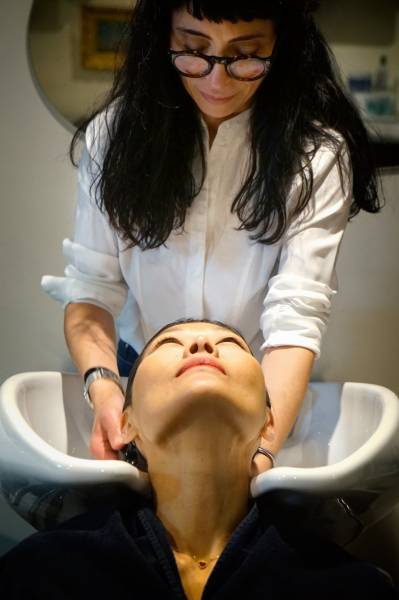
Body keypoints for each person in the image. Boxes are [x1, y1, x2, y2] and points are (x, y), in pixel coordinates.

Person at [41, 0, 380, 466]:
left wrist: (259, 455)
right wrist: (104, 389)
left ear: (281, 46)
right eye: (194, 49)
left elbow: (295, 317)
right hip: (138, 375)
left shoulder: (316, 156)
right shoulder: (114, 137)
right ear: (163, 40)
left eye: (246, 55)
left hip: (259, 383)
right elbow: (91, 291)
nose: (216, 81)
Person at [0, 319, 397, 600]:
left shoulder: (351, 587)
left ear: (268, 421)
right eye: (170, 344)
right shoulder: (40, 573)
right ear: (126, 424)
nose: (201, 345)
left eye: (231, 345)